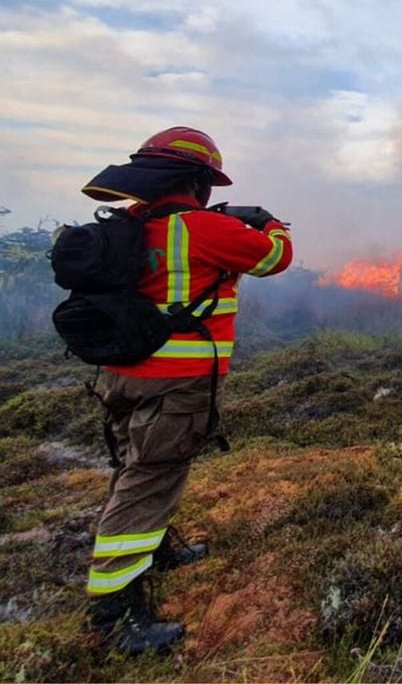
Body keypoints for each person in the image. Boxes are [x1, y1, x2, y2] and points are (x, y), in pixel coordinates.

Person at [78, 127, 293, 655]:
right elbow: (273, 259)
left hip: (121, 374)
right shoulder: (200, 229)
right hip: (174, 382)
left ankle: (155, 550)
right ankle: (113, 613)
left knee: (137, 465)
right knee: (150, 477)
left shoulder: (129, 225)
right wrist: (269, 223)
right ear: (196, 182)